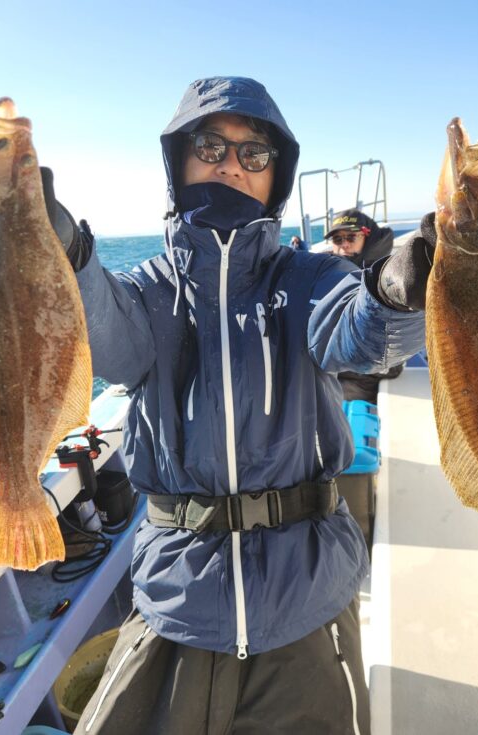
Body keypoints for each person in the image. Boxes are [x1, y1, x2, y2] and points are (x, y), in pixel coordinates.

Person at [42, 76, 433, 735]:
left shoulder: (309, 278)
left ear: (275, 177)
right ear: (180, 162)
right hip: (177, 604)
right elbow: (99, 335)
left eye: (255, 154)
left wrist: (402, 290)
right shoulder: (150, 291)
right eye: (211, 144)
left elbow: (364, 335)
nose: (231, 162)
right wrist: (61, 255)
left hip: (306, 604)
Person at [325, 209, 404, 403]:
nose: (344, 244)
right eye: (337, 239)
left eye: (351, 237)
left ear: (367, 237)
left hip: (364, 373)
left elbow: (390, 352)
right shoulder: (324, 271)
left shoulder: (388, 275)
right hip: (331, 365)